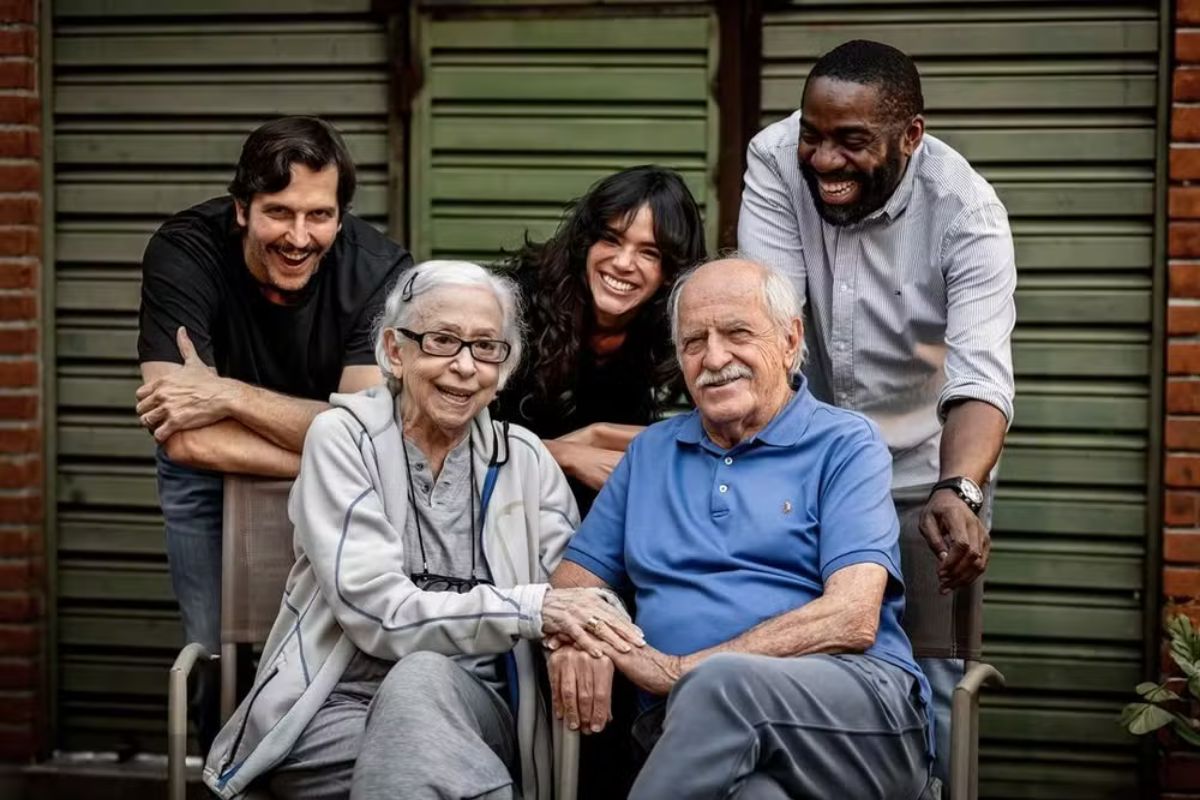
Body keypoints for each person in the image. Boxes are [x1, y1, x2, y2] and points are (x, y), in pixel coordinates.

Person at [203, 261, 644, 800]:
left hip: (474, 709)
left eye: (487, 347)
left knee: (423, 686)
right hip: (332, 713)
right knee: (423, 747)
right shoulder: (343, 441)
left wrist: (582, 636)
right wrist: (534, 610)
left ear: (504, 368)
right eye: (441, 341)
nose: (465, 366)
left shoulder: (525, 460)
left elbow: (577, 588)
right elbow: (377, 612)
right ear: (394, 350)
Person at [547, 257, 933, 799]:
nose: (714, 357)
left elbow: (852, 617)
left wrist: (679, 670)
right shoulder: (652, 453)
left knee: (721, 685)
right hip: (685, 731)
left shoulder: (845, 444)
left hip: (856, 722)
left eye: (737, 333)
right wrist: (576, 637)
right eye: (693, 342)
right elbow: (570, 588)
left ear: (789, 339)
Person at [737, 39, 1015, 782]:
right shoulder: (773, 158)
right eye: (813, 134)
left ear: (910, 135)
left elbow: (981, 377)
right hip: (809, 460)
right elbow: (772, 327)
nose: (824, 160)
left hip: (929, 472)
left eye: (851, 141)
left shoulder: (967, 214)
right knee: (796, 655)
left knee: (932, 683)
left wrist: (960, 490)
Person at [134, 116, 412, 752]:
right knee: (216, 652)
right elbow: (180, 437)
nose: (297, 237)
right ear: (241, 209)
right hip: (207, 474)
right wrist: (337, 440)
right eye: (278, 213)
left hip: (329, 474)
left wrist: (224, 394)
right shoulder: (185, 251)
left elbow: (371, 440)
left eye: (319, 215)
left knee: (331, 646)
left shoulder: (379, 271)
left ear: (340, 217)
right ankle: (220, 768)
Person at [496, 165, 707, 510]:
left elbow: (721, 433)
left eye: (649, 253)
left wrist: (599, 434)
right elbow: (457, 440)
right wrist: (565, 454)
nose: (623, 263)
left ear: (671, 272)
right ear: (585, 242)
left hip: (598, 522)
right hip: (499, 507)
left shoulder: (673, 326)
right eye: (611, 239)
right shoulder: (514, 305)